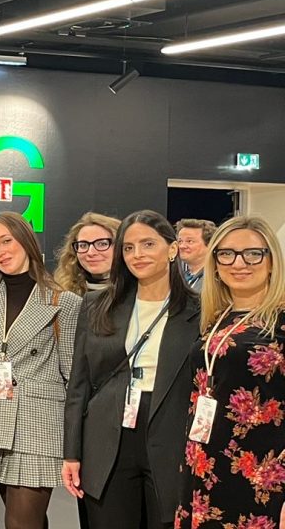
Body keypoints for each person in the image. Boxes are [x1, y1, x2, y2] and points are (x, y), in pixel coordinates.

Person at [63, 210, 200, 529]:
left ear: (172, 249)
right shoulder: (98, 304)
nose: (137, 254)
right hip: (107, 435)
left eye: (148, 244)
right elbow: (79, 384)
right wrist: (71, 452)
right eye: (128, 247)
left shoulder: (200, 309)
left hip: (172, 436)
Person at [173, 216, 285, 528]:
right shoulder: (218, 317)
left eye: (253, 253)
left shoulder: (280, 319)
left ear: (272, 261)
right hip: (204, 466)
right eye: (227, 254)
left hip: (264, 477)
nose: (239, 263)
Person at [0, 212, 81, 529]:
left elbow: (73, 377)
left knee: (20, 523)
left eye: (6, 241)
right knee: (30, 522)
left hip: (39, 424)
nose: (0, 252)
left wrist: (75, 444)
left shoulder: (64, 302)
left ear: (26, 241)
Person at [54, 212, 122, 296]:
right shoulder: (64, 295)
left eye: (102, 244)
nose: (91, 253)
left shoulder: (134, 294)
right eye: (83, 245)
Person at [175, 218, 217, 292]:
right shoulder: (177, 278)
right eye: (180, 241)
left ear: (209, 244)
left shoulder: (215, 280)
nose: (182, 246)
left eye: (190, 241)